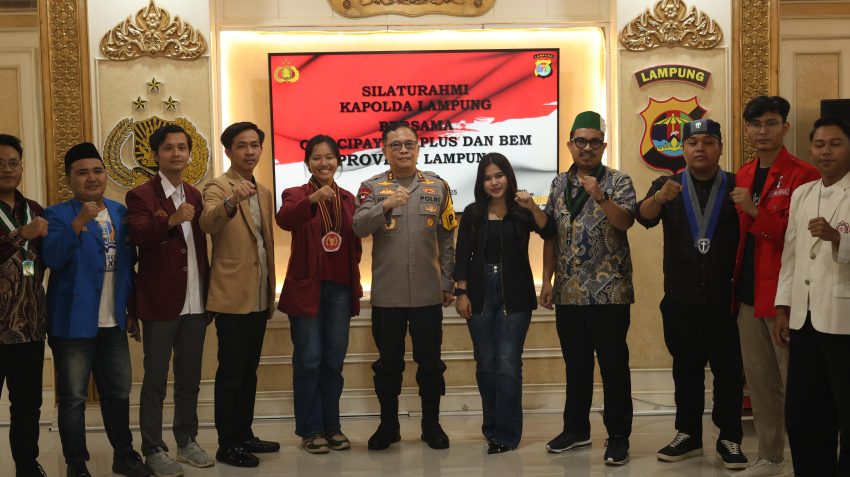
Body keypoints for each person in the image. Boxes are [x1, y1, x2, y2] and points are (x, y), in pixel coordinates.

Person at [636, 119, 748, 470]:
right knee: (685, 371)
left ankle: (729, 438)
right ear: (682, 149)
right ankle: (688, 434)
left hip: (725, 301)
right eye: (693, 142)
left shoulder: (736, 186)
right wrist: (658, 198)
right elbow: (642, 216)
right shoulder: (668, 185)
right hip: (680, 300)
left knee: (729, 373)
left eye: (708, 141)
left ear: (720, 148)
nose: (700, 148)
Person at [42, 142, 149, 477]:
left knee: (118, 393)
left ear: (105, 175)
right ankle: (76, 463)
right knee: (73, 398)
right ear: (69, 179)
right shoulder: (56, 214)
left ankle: (124, 455)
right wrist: (78, 222)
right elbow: (52, 258)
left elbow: (128, 267)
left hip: (113, 322)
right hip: (72, 323)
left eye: (97, 171)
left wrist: (131, 311)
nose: (92, 178)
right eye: (82, 172)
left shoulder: (120, 212)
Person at [352, 121, 457, 451]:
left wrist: (448, 281)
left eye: (409, 144)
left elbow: (447, 237)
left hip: (428, 293)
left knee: (430, 364)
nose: (403, 150)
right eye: (395, 145)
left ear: (418, 148)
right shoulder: (371, 187)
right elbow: (358, 226)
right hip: (388, 295)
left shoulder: (437, 186)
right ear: (385, 150)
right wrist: (384, 206)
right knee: (388, 365)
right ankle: (388, 426)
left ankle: (431, 424)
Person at [539, 111, 636, 466]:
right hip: (568, 292)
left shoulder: (619, 181)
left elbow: (625, 222)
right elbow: (551, 234)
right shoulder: (557, 184)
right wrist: (547, 280)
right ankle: (576, 429)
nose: (587, 147)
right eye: (580, 141)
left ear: (603, 146)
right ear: (570, 144)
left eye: (594, 142)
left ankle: (619, 436)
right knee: (576, 365)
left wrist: (600, 196)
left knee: (613, 366)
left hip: (610, 292)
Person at [731, 96, 820, 477]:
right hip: (747, 296)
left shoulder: (804, 175)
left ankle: (809, 459)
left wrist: (756, 211)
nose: (762, 131)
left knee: (797, 386)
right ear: (747, 129)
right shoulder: (744, 174)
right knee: (760, 384)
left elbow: (801, 239)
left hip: (786, 297)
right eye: (755, 124)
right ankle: (770, 457)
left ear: (785, 126)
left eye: (770, 123)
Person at [126, 124, 214, 476]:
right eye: (168, 148)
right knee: (155, 381)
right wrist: (172, 220)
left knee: (189, 378)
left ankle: (187, 439)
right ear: (156, 155)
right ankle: (153, 448)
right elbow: (138, 235)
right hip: (160, 302)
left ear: (189, 154)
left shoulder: (195, 194)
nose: (176, 153)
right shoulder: (141, 195)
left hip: (196, 300)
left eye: (181, 147)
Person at [453, 153, 554, 454]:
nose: (494, 182)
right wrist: (460, 292)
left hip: (516, 292)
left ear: (509, 177)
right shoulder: (472, 213)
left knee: (508, 364)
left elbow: (549, 231)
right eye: (487, 178)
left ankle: (507, 435)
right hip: (479, 292)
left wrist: (533, 206)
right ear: (481, 183)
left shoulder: (522, 211)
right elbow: (462, 255)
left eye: (499, 175)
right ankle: (492, 428)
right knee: (486, 364)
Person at [277, 135, 363, 454]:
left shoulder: (348, 199)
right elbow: (285, 219)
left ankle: (332, 426)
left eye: (329, 157)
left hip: (340, 288)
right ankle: (311, 429)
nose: (323, 163)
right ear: (307, 163)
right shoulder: (296, 194)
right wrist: (312, 199)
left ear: (338, 161)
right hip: (307, 289)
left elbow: (355, 243)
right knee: (309, 360)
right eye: (316, 158)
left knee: (333, 360)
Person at [775, 116, 850, 476]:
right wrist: (782, 306)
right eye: (819, 145)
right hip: (803, 319)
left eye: (835, 144)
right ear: (810, 150)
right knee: (804, 412)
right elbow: (790, 255)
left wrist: (838, 238)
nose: (826, 151)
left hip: (842, 319)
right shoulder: (803, 194)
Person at [200, 122, 278, 468]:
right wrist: (232, 201)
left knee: (249, 370)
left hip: (259, 293)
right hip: (232, 296)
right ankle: (227, 444)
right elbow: (208, 222)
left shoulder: (264, 191)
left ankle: (244, 434)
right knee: (231, 372)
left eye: (254, 145)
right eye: (242, 146)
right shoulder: (218, 186)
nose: (249, 151)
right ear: (229, 151)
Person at [0, 134, 48, 477]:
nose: (7, 169)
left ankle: (27, 466)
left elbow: (45, 259)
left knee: (28, 405)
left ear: (21, 167)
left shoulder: (35, 209)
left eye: (13, 162)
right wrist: (22, 235)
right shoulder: (30, 223)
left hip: (29, 327)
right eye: (0, 163)